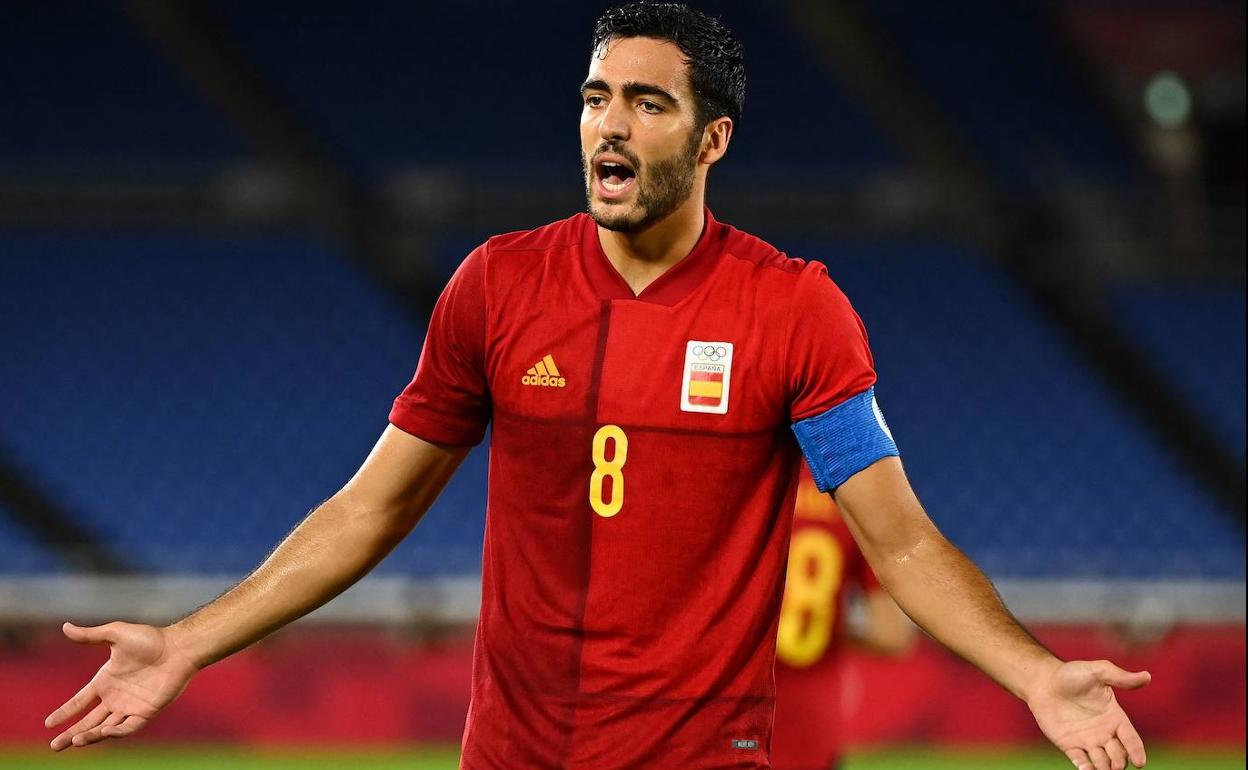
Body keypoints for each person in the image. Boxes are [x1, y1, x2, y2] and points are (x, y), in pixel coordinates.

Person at [44, 4, 1150, 769]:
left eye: (647, 103)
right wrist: (188, 639)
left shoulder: (794, 308)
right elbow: (372, 504)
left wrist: (1037, 675)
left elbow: (900, 543)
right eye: (594, 96)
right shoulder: (496, 284)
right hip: (513, 752)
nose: (609, 125)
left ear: (713, 137)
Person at [772, 463, 916, 770]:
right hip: (812, 728)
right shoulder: (848, 498)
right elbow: (893, 636)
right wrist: (828, 623)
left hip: (736, 713)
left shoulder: (749, 484)